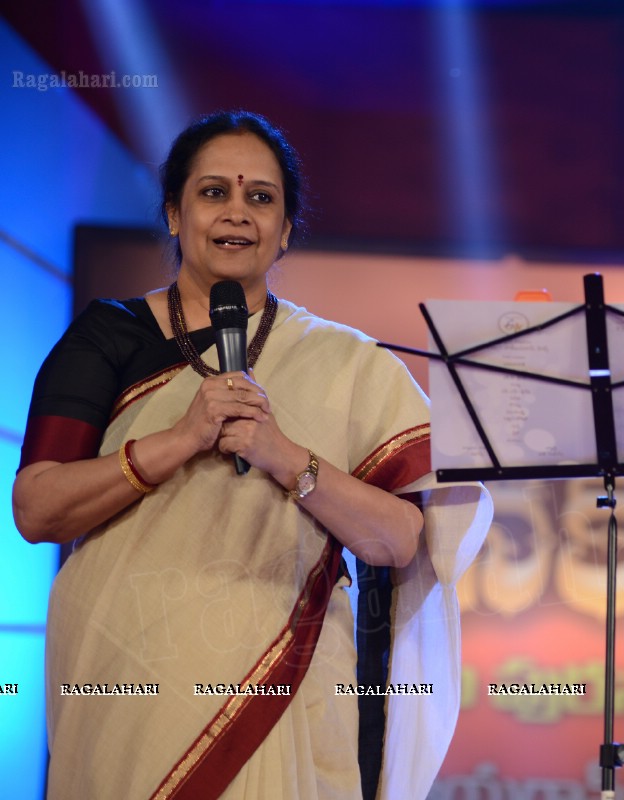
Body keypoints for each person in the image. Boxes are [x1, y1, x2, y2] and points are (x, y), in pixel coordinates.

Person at [13, 111, 492, 799]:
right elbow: (37, 508)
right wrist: (180, 439)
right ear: (175, 215)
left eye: (261, 198)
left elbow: (401, 539)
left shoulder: (347, 360)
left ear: (286, 229)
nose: (238, 213)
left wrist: (286, 457)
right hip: (124, 676)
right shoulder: (106, 337)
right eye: (214, 193)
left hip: (283, 692)